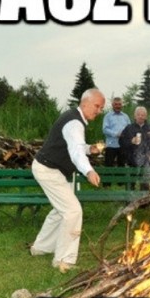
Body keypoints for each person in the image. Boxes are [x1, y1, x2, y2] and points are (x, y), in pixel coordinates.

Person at [30, 88, 105, 273]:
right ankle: (64, 260)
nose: (99, 110)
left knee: (60, 211)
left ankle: (41, 248)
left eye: (101, 108)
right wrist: (89, 171)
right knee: (72, 211)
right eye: (97, 106)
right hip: (48, 170)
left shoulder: (75, 119)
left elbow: (76, 146)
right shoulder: (74, 123)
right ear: (85, 103)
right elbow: (76, 152)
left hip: (52, 169)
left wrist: (90, 149)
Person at [119, 106, 150, 189]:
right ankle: (129, 197)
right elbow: (121, 142)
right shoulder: (129, 128)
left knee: (145, 184)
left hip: (146, 160)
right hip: (131, 160)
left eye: (143, 115)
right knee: (130, 184)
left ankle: (144, 197)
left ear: (146, 116)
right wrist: (131, 141)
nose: (140, 116)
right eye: (138, 114)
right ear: (135, 116)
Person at [102, 97, 130, 168]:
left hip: (123, 146)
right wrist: (116, 134)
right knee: (108, 167)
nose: (118, 106)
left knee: (122, 167)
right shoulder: (107, 116)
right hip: (111, 145)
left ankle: (121, 176)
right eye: (116, 104)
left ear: (122, 105)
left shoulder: (126, 117)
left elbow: (130, 129)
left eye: (119, 104)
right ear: (112, 105)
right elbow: (105, 129)